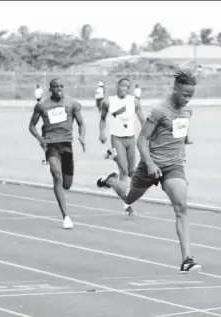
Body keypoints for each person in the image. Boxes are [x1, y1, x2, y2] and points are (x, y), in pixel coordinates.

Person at [97, 70, 201, 274]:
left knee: (181, 207)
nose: (187, 99)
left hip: (174, 166)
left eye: (191, 96)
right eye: (185, 95)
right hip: (150, 165)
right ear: (175, 89)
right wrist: (151, 164)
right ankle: (112, 181)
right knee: (128, 197)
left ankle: (187, 260)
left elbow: (180, 129)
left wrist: (185, 139)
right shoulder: (159, 111)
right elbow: (142, 140)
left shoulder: (188, 112)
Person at [29, 78, 86, 229]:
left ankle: (63, 193)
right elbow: (31, 126)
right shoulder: (42, 106)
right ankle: (66, 216)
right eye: (56, 87)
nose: (59, 89)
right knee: (57, 176)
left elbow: (81, 123)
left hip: (67, 145)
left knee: (67, 184)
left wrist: (82, 136)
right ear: (50, 89)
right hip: (51, 145)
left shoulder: (72, 103)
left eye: (61, 86)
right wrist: (40, 138)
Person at [99, 78, 145, 214]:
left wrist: (148, 132)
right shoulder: (108, 102)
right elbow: (102, 118)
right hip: (117, 138)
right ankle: (126, 203)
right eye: (122, 85)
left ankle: (111, 181)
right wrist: (102, 132)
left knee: (131, 172)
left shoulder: (134, 101)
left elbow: (142, 119)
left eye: (127, 86)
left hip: (131, 138)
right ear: (117, 86)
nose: (125, 88)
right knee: (124, 170)